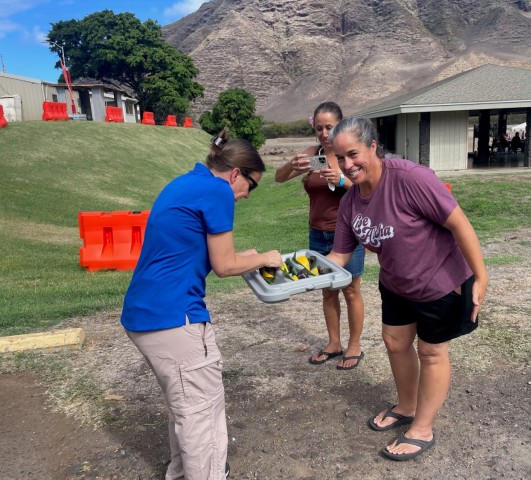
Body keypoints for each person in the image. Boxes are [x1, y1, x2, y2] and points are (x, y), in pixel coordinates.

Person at [121, 128, 282, 480]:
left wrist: (249, 257)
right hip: (173, 318)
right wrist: (265, 257)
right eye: (250, 186)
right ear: (236, 174)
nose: (246, 196)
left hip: (144, 314)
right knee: (202, 411)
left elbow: (193, 251)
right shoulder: (217, 190)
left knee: (184, 406)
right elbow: (224, 266)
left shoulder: (187, 182)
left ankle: (181, 471)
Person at [325, 117, 488, 461]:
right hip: (396, 284)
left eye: (353, 154)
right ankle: (407, 405)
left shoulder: (410, 178)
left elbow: (459, 223)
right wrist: (299, 274)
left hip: (439, 284)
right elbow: (339, 254)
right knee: (396, 343)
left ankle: (423, 427)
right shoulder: (351, 202)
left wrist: (481, 276)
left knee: (431, 352)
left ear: (373, 146)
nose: (348, 165)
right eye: (341, 158)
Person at [275, 102, 366, 370]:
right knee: (327, 292)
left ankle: (355, 346)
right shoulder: (313, 155)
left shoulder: (347, 155)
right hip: (318, 234)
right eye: (319, 128)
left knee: (351, 290)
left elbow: (365, 190)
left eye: (329, 127)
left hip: (347, 234)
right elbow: (279, 178)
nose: (324, 133)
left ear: (340, 124)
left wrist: (340, 180)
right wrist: (291, 164)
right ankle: (334, 343)